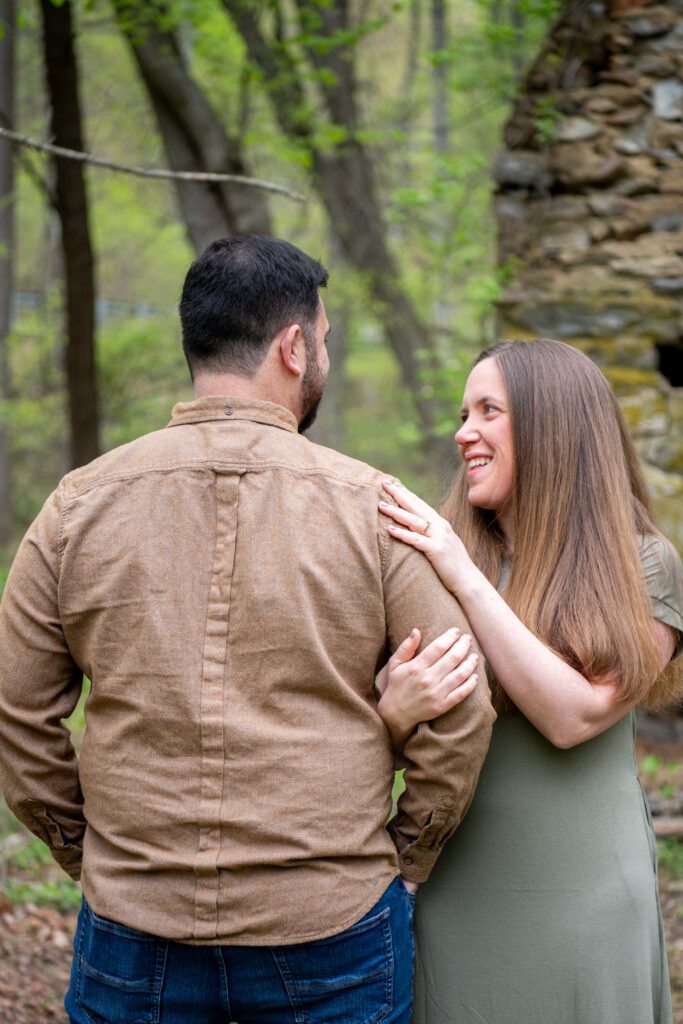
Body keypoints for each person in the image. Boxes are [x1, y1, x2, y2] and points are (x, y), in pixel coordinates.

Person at [0, 235, 495, 1024]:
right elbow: (461, 706)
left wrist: (87, 851)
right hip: (331, 927)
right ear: (294, 348)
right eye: (325, 340)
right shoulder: (374, 509)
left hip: (135, 927)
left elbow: (18, 714)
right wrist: (405, 855)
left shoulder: (74, 507)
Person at [375, 338, 683, 1024]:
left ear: (554, 425)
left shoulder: (645, 566)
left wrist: (462, 576)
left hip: (587, 896)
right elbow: (374, 738)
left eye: (489, 410)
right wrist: (391, 714)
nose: (463, 432)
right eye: (462, 412)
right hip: (453, 886)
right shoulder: (431, 562)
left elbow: (574, 716)